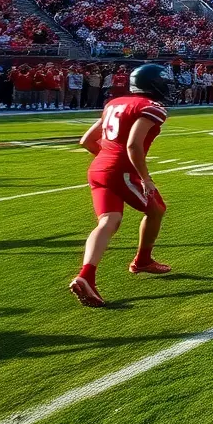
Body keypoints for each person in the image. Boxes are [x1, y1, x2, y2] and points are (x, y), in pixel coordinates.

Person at [69, 64, 173, 307]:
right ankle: (143, 260)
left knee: (108, 222)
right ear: (153, 84)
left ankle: (86, 275)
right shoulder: (151, 107)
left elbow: (86, 141)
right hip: (119, 170)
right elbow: (133, 146)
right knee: (156, 209)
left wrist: (107, 163)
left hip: (98, 168)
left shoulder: (114, 103)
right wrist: (144, 177)